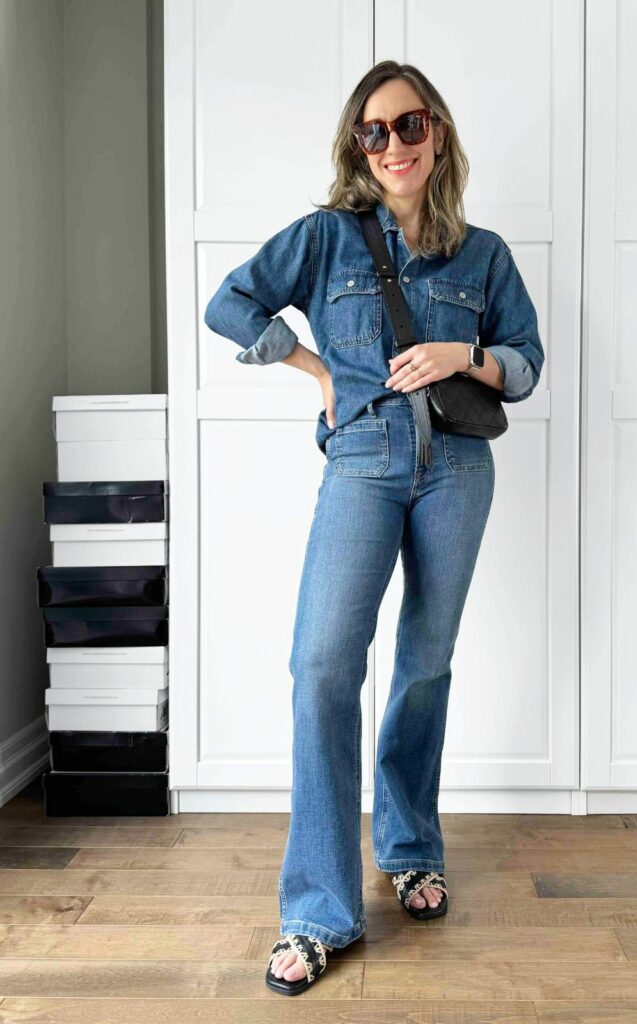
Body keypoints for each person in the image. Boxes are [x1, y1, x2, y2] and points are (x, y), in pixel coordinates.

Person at [204, 60, 544, 997]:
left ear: (437, 133)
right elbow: (227, 302)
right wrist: (315, 370)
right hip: (360, 465)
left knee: (425, 662)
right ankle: (318, 908)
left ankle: (408, 847)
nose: (393, 144)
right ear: (358, 147)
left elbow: (527, 363)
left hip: (457, 475)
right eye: (375, 131)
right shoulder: (324, 239)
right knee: (322, 665)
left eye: (410, 124)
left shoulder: (484, 255)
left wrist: (460, 354)